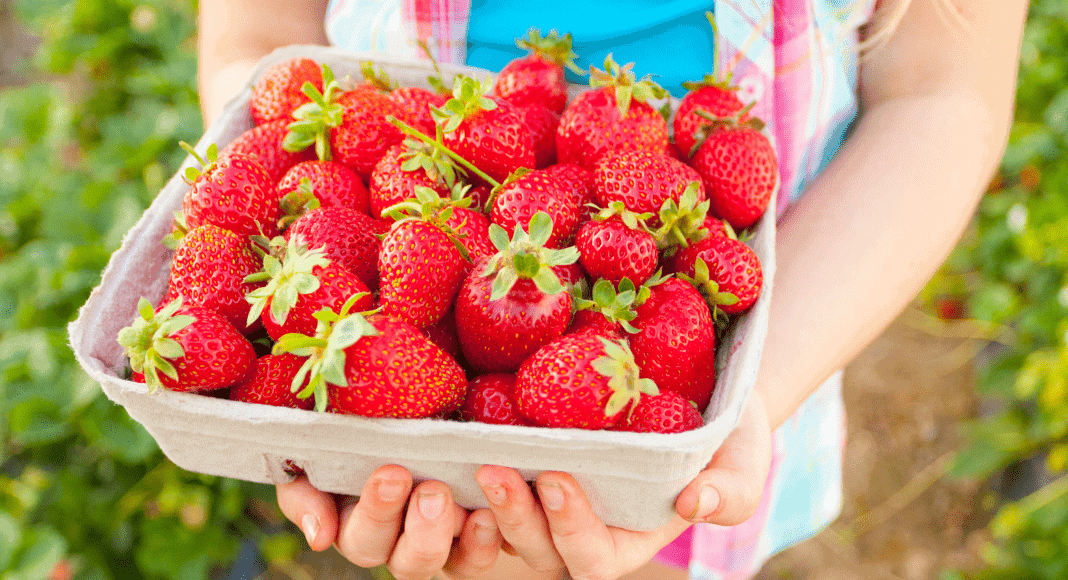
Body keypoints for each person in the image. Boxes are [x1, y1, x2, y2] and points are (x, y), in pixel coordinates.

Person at [197, 1, 1029, 578]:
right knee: (468, 529)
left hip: (774, 318)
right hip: (405, 297)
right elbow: (265, 42)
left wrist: (750, 397)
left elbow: (940, 91)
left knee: (676, 539)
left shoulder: (668, 287)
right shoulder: (405, 256)